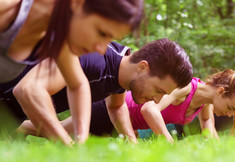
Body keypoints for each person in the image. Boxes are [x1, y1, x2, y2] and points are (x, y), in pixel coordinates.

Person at [0, 0, 143, 144]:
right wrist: (65, 143)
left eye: (110, 39)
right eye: (102, 33)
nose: (101, 49)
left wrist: (80, 141)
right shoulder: (7, 9)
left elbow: (78, 85)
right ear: (77, 3)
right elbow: (28, 90)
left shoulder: (59, 36)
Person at [16, 39, 193, 143]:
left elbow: (117, 107)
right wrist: (68, 145)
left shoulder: (121, 71)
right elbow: (30, 90)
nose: (157, 100)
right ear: (142, 67)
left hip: (12, 115)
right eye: (158, 90)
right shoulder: (94, 59)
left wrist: (131, 141)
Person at [76, 69, 235, 142]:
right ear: (221, 91)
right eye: (231, 108)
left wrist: (217, 153)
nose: (230, 115)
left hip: (122, 127)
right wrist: (170, 143)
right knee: (53, 133)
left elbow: (208, 126)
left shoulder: (206, 103)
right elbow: (149, 109)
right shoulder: (186, 88)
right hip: (112, 112)